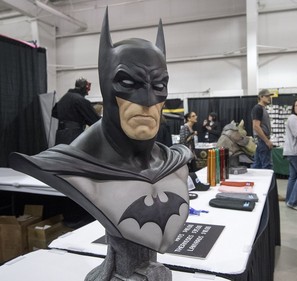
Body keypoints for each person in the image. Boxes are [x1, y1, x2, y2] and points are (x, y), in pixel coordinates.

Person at [10, 10, 192, 281]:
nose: (147, 99)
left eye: (160, 85)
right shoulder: (71, 165)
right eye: (127, 83)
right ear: (106, 88)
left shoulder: (173, 162)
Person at [52, 77, 101, 145]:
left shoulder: (63, 99)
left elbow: (54, 113)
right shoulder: (80, 100)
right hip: (74, 135)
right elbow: (94, 120)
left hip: (60, 136)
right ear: (84, 87)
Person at [251, 89, 273, 169]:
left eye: (270, 96)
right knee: (267, 166)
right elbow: (256, 126)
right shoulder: (258, 108)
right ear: (261, 97)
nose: (269, 98)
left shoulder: (261, 109)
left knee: (258, 165)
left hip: (261, 141)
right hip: (262, 141)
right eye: (267, 96)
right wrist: (266, 141)